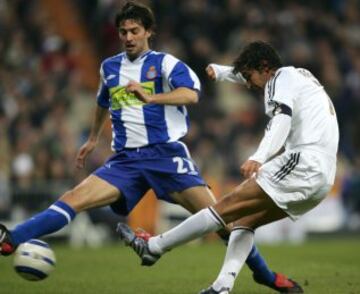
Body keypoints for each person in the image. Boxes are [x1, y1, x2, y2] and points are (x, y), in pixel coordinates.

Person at [0, 2, 299, 292]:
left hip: (166, 156)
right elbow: (103, 101)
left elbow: (191, 95)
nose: (128, 37)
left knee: (224, 221)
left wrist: (151, 97)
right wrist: (92, 138)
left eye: (134, 31)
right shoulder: (109, 68)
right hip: (126, 161)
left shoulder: (165, 63)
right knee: (73, 198)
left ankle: (266, 277)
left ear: (148, 32)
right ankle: (12, 238)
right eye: (123, 32)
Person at [117, 40, 339, 294]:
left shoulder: (279, 79)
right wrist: (222, 72)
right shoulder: (298, 76)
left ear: (265, 67)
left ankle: (154, 247)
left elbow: (282, 117)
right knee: (244, 220)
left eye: (249, 76)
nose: (248, 84)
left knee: (225, 207)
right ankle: (222, 287)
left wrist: (259, 156)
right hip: (323, 175)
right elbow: (251, 74)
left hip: (305, 162)